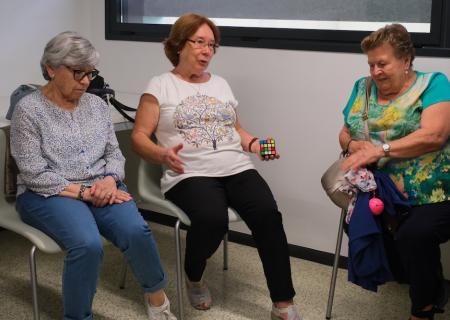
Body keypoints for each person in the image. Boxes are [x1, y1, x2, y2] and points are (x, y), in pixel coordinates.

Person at [131, 13, 301, 320]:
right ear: (179, 44)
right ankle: (194, 276)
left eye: (212, 45)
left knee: (267, 216)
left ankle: (284, 304)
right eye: (199, 42)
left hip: (236, 166)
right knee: (212, 219)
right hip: (190, 173)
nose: (207, 50)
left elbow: (237, 130)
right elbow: (139, 137)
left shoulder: (221, 84)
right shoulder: (160, 85)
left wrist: (256, 145)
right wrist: (161, 154)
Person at [10, 31, 177, 320]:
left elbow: (114, 153)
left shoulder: (97, 106)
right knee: (86, 245)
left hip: (102, 185)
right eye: (78, 73)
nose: (86, 81)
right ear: (51, 68)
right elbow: (33, 172)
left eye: (90, 73)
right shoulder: (28, 110)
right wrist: (85, 193)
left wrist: (110, 180)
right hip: (48, 193)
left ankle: (157, 298)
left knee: (136, 231)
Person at [339, 24, 450, 320]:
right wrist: (353, 143)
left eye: (382, 63)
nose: (375, 71)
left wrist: (379, 150)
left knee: (415, 234)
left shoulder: (434, 83)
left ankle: (423, 308)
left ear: (405, 60)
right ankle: (426, 284)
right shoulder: (362, 87)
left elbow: (435, 135)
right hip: (381, 188)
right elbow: (344, 132)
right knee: (361, 226)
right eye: (371, 64)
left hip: (433, 189)